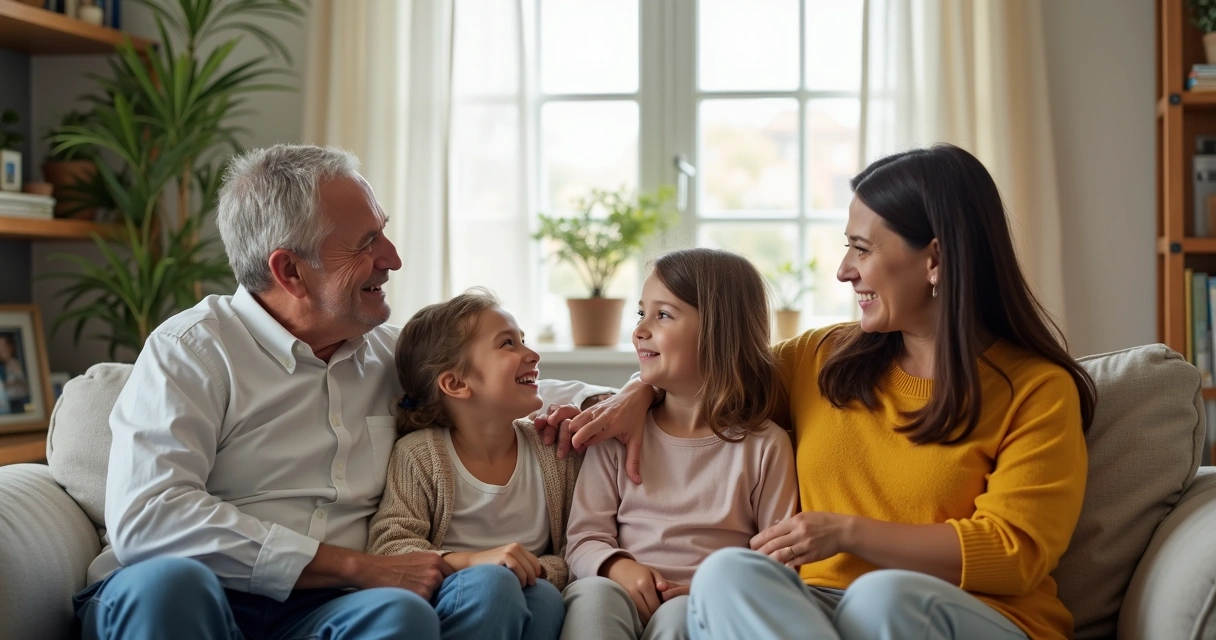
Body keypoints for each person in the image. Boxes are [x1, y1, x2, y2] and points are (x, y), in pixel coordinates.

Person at [79, 144, 647, 640]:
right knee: (170, 584)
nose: (393, 258)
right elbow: (151, 519)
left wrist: (634, 397)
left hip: (325, 611)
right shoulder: (194, 350)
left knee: (400, 618)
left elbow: (512, 390)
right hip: (185, 596)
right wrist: (355, 567)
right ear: (290, 271)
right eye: (367, 242)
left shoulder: (389, 356)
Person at [675, 144, 1097, 640]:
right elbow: (713, 384)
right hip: (816, 616)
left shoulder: (1037, 389)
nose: (843, 270)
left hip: (967, 616)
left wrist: (844, 531)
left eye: (862, 248)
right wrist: (637, 395)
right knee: (728, 573)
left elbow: (1014, 552)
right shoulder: (821, 358)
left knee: (882, 597)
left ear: (934, 259)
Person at [560, 248, 798, 640]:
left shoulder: (765, 446)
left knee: (678, 617)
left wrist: (707, 592)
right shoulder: (619, 432)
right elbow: (584, 538)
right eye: (641, 313)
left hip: (703, 603)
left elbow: (776, 558)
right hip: (617, 591)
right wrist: (617, 567)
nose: (639, 329)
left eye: (663, 315)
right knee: (593, 597)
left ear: (719, 331)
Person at [367, 290, 586, 640]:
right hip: (454, 597)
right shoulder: (419, 455)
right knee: (494, 582)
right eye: (508, 344)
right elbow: (390, 547)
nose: (532, 354)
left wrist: (534, 571)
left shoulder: (553, 451)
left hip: (530, 591)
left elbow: (576, 548)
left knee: (545, 598)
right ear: (456, 383)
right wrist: (475, 562)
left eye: (524, 341)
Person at [0, 333, 29, 414]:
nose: (2, 350)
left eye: (4, 346)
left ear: (12, 347)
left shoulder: (18, 365)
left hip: (20, 404)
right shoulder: (2, 367)